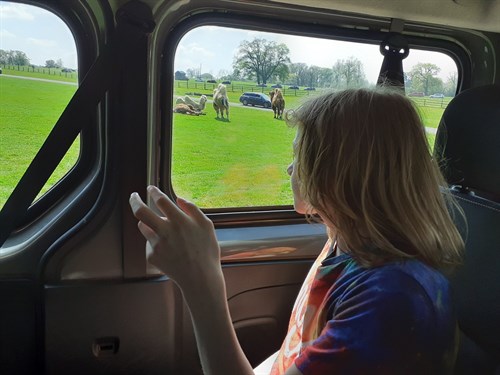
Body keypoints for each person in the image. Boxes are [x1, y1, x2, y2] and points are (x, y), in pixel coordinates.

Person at [129, 87, 464, 375]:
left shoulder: (391, 302)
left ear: (339, 176)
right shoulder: (343, 243)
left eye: (299, 157)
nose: (290, 168)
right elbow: (300, 353)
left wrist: (201, 283)